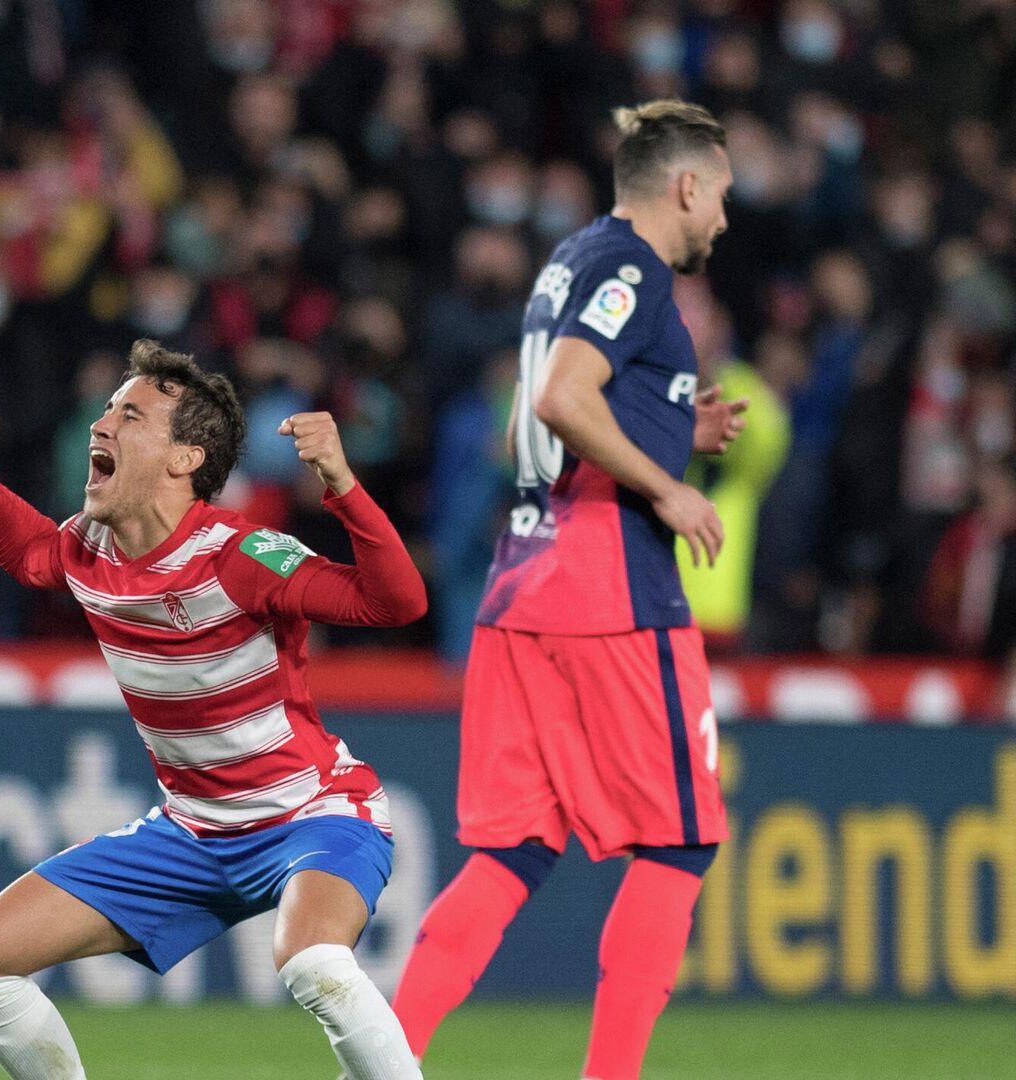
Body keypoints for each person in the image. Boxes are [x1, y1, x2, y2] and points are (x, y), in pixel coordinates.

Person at [0, 339, 429, 1080]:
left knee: (314, 962)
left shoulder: (242, 555)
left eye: (131, 414)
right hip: (191, 837)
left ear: (186, 458)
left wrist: (341, 484)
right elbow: (30, 554)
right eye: (108, 409)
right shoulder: (90, 547)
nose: (102, 425)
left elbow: (396, 602)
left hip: (312, 817)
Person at [389, 100, 747, 1080]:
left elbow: (525, 430)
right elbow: (558, 399)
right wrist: (668, 485)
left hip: (521, 591)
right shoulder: (635, 268)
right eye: (720, 195)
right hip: (613, 595)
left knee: (515, 852)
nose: (725, 217)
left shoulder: (569, 261)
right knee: (679, 843)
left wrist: (676, 427)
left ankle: (381, 1061)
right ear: (684, 186)